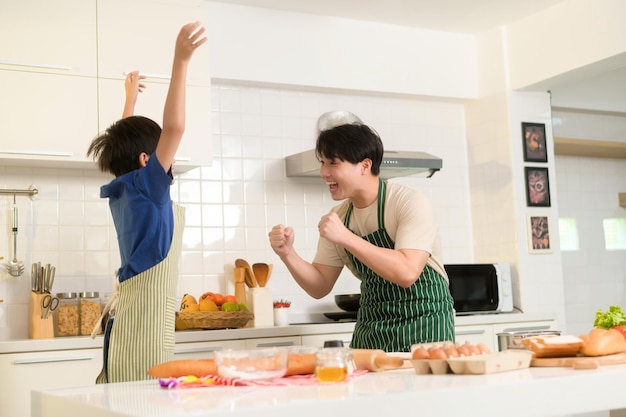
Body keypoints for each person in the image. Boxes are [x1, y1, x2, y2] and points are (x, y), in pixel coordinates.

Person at [268, 111, 455, 352]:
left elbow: (407, 272)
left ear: (365, 165)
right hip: (372, 327)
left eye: (333, 163)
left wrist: (346, 237)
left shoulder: (408, 201)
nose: (324, 172)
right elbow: (319, 286)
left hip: (425, 326)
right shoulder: (340, 216)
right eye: (322, 162)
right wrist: (287, 253)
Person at [87, 21, 207, 383]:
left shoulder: (126, 189)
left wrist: (130, 101)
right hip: (147, 333)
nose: (165, 160)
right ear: (146, 160)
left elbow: (126, 144)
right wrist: (181, 60)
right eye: (158, 156)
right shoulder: (148, 188)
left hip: (127, 328)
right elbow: (175, 128)